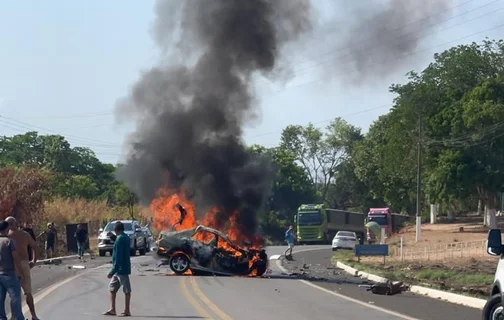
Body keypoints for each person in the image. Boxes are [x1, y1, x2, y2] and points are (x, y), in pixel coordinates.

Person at [6, 216, 39, 320]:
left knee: (14, 293)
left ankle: (13, 316)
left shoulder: (7, 236)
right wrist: (34, 260)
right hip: (24, 264)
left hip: (12, 265)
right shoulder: (25, 235)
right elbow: (35, 247)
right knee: (28, 292)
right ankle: (33, 315)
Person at [103, 222, 131, 317]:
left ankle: (127, 310)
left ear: (116, 230)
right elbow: (120, 242)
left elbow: (118, 256)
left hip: (120, 269)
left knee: (126, 289)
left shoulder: (119, 240)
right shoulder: (125, 237)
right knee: (112, 288)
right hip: (122, 268)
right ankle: (112, 309)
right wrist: (114, 237)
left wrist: (112, 271)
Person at [0, 220, 25, 320]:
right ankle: (18, 317)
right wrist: (20, 272)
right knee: (15, 297)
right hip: (9, 274)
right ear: (7, 229)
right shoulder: (9, 242)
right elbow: (16, 258)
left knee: (0, 298)